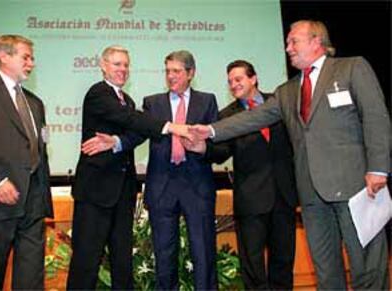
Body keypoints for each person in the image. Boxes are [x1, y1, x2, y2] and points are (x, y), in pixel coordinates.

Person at [190, 20, 391, 290]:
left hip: (356, 187)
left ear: (316, 41)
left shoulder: (352, 68)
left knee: (366, 267)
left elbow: (376, 118)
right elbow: (252, 118)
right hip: (311, 196)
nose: (287, 48)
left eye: (293, 41)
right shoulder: (287, 91)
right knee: (326, 270)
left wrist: (378, 168)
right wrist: (210, 130)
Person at [82, 50, 219, 290]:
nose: (171, 76)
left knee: (203, 252)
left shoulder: (207, 101)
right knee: (163, 255)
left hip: (197, 187)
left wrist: (203, 147)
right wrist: (117, 142)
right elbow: (137, 130)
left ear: (191, 74)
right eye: (167, 71)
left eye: (176, 71)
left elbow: (220, 144)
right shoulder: (151, 103)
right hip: (162, 187)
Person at [66, 45, 189, 290]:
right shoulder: (98, 94)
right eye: (117, 64)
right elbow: (132, 120)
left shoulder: (128, 100)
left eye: (126, 65)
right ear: (103, 66)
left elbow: (137, 129)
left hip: (123, 193)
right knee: (86, 260)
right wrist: (172, 127)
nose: (123, 69)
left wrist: (117, 142)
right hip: (95, 193)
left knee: (123, 262)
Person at [194, 60, 298, 289]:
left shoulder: (279, 103)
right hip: (251, 200)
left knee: (283, 261)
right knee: (252, 266)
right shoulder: (227, 116)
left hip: (284, 196)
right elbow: (220, 152)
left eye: (238, 79)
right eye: (230, 81)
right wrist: (201, 148)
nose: (233, 85)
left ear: (254, 78)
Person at [0, 35, 53, 290]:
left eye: (32, 58)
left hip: (32, 201)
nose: (31, 63)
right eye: (26, 57)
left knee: (31, 279)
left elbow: (39, 150)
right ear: (4, 56)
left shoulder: (35, 102)